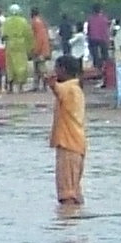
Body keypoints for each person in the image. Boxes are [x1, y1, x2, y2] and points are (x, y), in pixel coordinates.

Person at [48, 53, 87, 207]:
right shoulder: (75, 88)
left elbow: (57, 89)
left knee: (67, 194)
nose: (55, 71)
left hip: (68, 144)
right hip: (75, 144)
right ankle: (74, 223)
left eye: (57, 68)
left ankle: (67, 225)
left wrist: (51, 83)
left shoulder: (69, 88)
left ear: (63, 69)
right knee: (74, 190)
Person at [0, 7, 31, 94]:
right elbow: (29, 35)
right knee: (21, 66)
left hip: (10, 45)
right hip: (21, 45)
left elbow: (3, 35)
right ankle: (20, 88)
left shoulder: (6, 21)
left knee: (10, 65)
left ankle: (10, 87)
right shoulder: (23, 21)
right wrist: (29, 48)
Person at [85, 3, 112, 87]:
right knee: (105, 56)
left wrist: (89, 39)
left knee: (95, 56)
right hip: (103, 39)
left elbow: (88, 31)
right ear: (100, 10)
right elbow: (106, 31)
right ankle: (105, 70)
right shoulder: (104, 19)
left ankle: (97, 69)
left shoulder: (90, 19)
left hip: (93, 39)